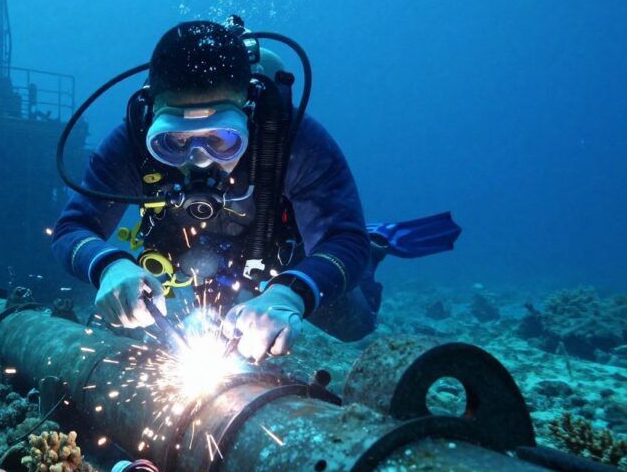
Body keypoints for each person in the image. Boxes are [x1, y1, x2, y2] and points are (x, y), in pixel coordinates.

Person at [52, 19, 459, 361]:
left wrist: (291, 293)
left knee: (356, 324)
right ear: (152, 113)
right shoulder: (129, 142)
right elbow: (72, 229)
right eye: (175, 142)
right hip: (193, 260)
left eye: (221, 140)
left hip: (282, 254)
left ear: (248, 111)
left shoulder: (294, 138)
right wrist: (110, 266)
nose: (200, 159)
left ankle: (378, 242)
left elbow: (343, 241)